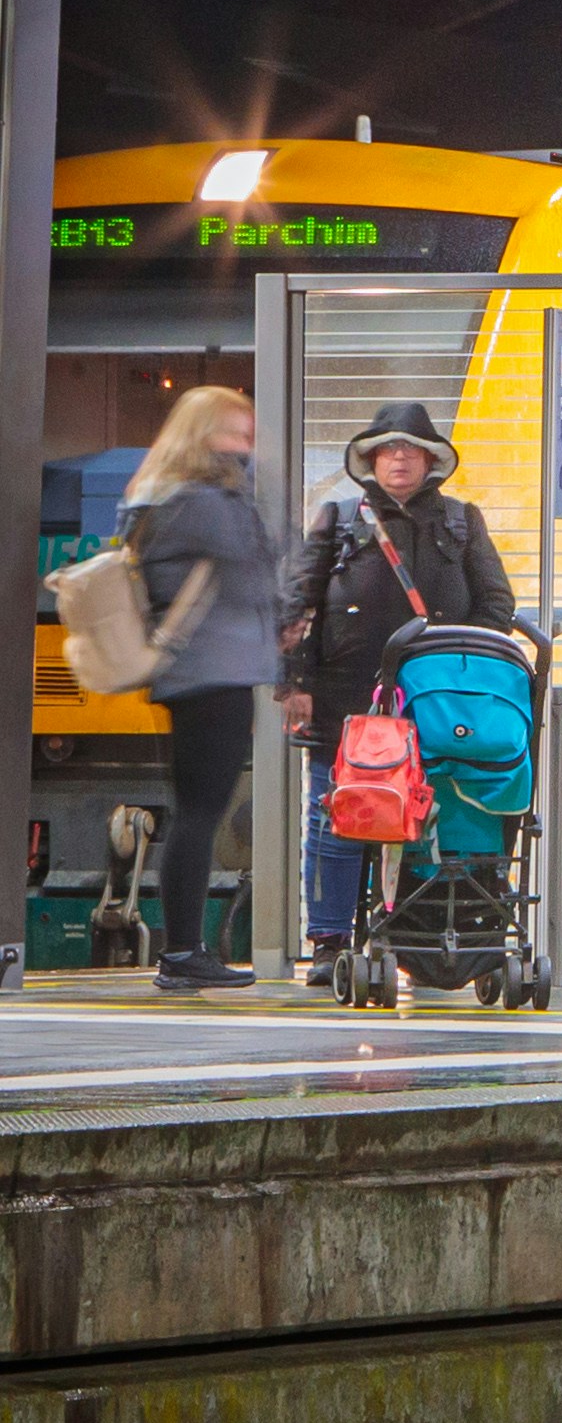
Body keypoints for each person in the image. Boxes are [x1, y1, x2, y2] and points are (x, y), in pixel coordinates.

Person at [277, 401, 514, 958]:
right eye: (388, 448)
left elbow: (497, 601)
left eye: (412, 449)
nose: (400, 458)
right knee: (336, 817)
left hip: (437, 710)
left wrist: (455, 663)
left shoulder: (462, 520)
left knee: (434, 816)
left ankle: (431, 940)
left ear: (431, 462)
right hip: (344, 704)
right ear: (371, 461)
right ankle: (330, 943)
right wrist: (293, 683)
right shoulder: (337, 520)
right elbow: (296, 606)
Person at [116, 384, 276, 990]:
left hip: (200, 673)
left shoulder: (168, 495)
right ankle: (182, 953)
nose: (245, 445)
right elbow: (258, 566)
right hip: (214, 673)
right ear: (203, 434)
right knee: (200, 815)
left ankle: (184, 950)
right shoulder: (202, 502)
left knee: (196, 813)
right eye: (236, 432)